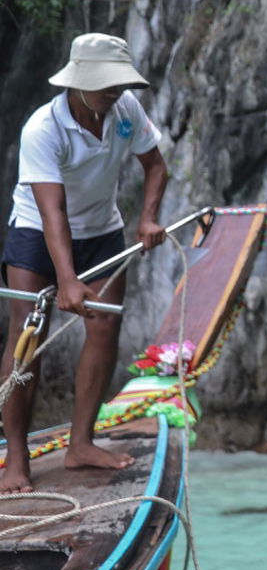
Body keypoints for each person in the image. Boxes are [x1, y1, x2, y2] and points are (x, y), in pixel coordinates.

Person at [0, 33, 168, 493]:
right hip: (38, 231)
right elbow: (53, 213)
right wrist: (68, 281)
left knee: (103, 327)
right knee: (26, 334)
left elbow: (156, 166)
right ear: (77, 84)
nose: (115, 92)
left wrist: (148, 219)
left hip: (101, 229)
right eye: (106, 85)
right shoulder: (43, 129)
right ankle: (16, 458)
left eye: (119, 84)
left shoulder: (125, 111)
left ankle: (81, 443)